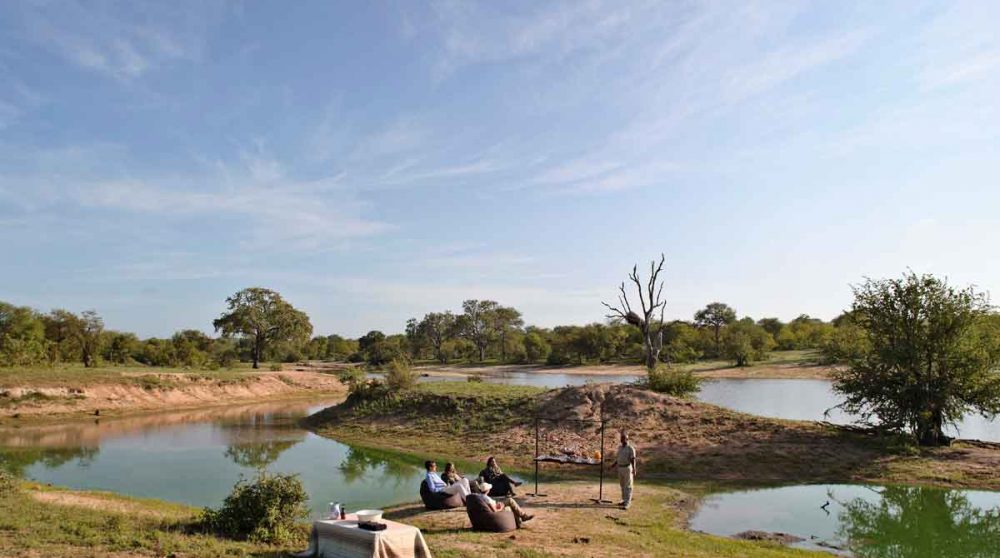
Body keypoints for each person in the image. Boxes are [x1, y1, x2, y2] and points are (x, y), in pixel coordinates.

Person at [608, 431, 638, 510]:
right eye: (621, 439)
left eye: (624, 438)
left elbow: (633, 459)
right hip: (620, 468)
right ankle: (624, 500)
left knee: (628, 486)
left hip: (627, 468)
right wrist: (613, 465)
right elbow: (618, 459)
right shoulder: (620, 448)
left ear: (627, 439)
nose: (622, 440)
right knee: (622, 485)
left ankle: (627, 503)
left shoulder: (630, 448)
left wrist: (634, 469)